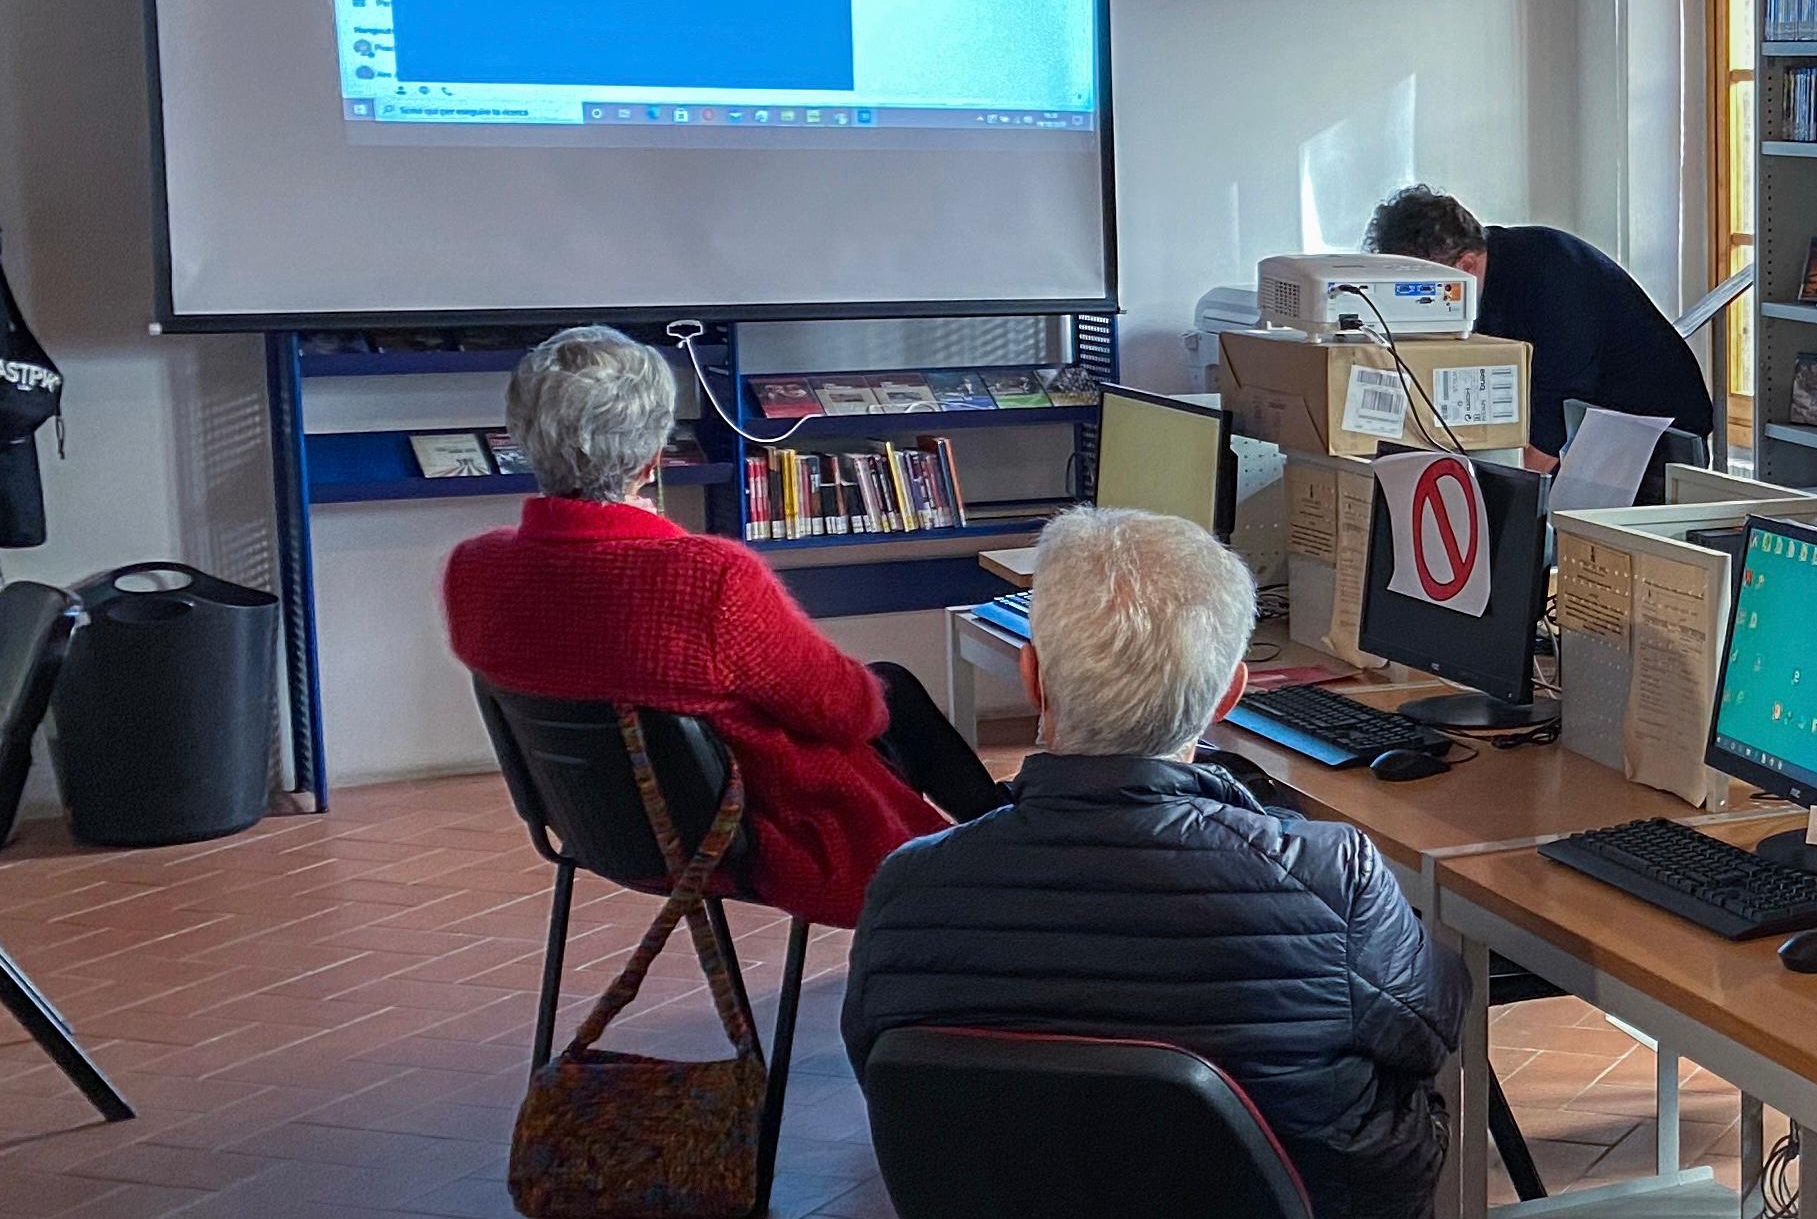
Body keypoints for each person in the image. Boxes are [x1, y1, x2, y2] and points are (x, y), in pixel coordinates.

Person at [842, 507, 1468, 1219]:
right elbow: (1433, 1025)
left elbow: (880, 1075)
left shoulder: (905, 888)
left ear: (1032, 677)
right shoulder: (1332, 875)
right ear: (1228, 695)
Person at [443, 326, 1006, 928]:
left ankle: (1001, 837)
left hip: (599, 828)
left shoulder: (475, 569)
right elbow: (850, 713)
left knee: (887, 686)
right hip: (743, 837)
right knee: (883, 693)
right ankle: (1006, 850)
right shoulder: (704, 578)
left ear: (524, 441)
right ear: (655, 455)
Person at [1367, 186, 1713, 468]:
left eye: (1421, 289)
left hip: (1656, 435)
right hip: (1590, 433)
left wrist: (1500, 502)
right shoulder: (1479, 288)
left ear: (1466, 265)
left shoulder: (1548, 273)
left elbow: (1555, 413)